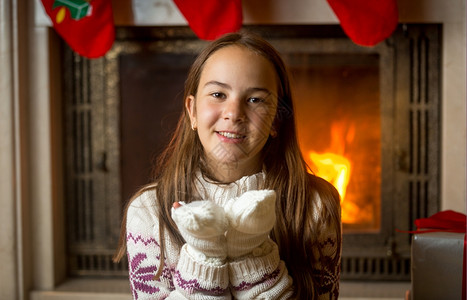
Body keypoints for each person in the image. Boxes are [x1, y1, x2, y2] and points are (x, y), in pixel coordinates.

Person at [113, 30, 342, 299]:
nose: (234, 114)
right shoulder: (148, 212)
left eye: (255, 100)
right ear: (193, 111)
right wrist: (204, 256)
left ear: (277, 120)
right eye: (218, 94)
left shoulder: (315, 206)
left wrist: (250, 251)